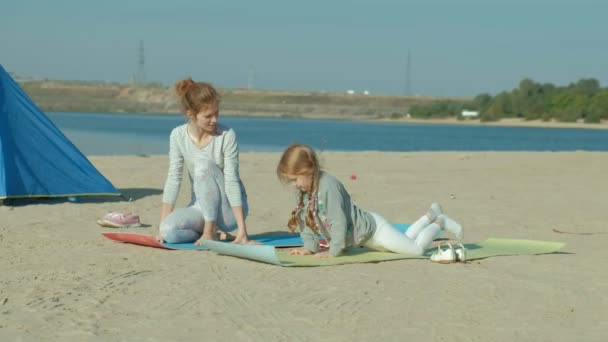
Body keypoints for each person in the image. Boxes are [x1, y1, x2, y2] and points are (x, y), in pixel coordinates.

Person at [276, 143, 464, 259]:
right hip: (364, 239)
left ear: (309, 171)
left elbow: (337, 221)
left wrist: (334, 251)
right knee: (406, 240)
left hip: (374, 230)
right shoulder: (304, 190)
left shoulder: (328, 187)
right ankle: (428, 217)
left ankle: (440, 222)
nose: (293, 185)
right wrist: (309, 248)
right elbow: (305, 221)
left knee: (416, 250)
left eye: (295, 179)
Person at [157, 77, 256, 246]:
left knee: (202, 165)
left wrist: (242, 231)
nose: (215, 120)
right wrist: (161, 226)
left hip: (228, 211)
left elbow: (232, 180)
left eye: (216, 113)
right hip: (201, 207)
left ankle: (210, 231)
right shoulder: (177, 136)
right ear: (191, 114)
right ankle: (212, 233)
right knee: (169, 232)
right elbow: (174, 179)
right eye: (208, 116)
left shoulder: (227, 136)